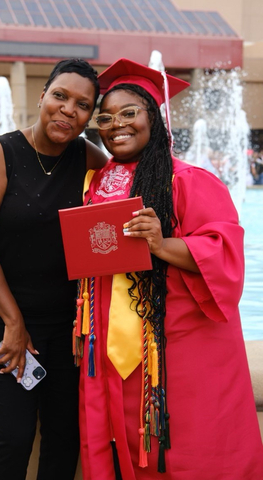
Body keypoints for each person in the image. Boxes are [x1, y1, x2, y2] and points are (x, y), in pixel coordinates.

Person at [73, 58, 263, 480]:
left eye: (130, 113)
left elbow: (224, 253)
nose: (116, 124)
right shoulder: (95, 181)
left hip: (176, 346)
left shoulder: (189, 180)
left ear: (154, 118)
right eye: (106, 117)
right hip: (108, 347)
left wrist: (161, 244)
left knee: (185, 449)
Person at [0, 58, 107, 480]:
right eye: (60, 96)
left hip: (66, 328)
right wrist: (13, 322)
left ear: (88, 117)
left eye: (82, 104)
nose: (68, 109)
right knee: (16, 436)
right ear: (43, 96)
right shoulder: (0, 152)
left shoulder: (90, 159)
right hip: (3, 321)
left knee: (63, 437)